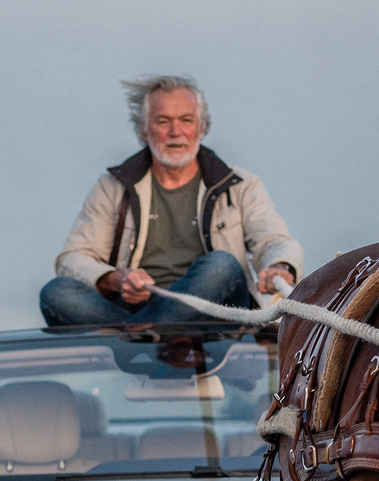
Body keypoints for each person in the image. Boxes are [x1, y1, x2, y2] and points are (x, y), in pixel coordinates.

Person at [41, 75, 304, 326]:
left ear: (202, 128)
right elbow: (72, 258)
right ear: (144, 130)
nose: (175, 132)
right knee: (56, 293)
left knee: (221, 266)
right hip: (134, 306)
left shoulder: (240, 184)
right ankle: (153, 337)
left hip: (216, 315)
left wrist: (279, 266)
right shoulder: (112, 187)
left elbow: (275, 241)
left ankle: (135, 340)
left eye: (186, 120)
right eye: (163, 121)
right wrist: (115, 279)